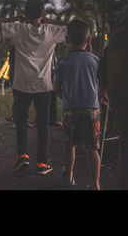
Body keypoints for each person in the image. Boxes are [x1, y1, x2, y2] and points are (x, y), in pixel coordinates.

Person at [0, 0, 68, 175]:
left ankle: (23, 156)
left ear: (26, 13)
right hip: (44, 86)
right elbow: (72, 27)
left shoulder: (19, 28)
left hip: (22, 84)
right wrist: (48, 20)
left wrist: (17, 18)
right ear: (43, 13)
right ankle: (42, 163)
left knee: (21, 122)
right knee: (43, 125)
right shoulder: (51, 31)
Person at [53, 19, 101, 189]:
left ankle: (69, 177)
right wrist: (99, 97)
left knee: (70, 144)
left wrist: (65, 97)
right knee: (92, 148)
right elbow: (101, 84)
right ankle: (95, 184)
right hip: (92, 111)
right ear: (88, 40)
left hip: (70, 110)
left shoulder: (62, 62)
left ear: (67, 39)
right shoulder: (95, 60)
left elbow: (56, 87)